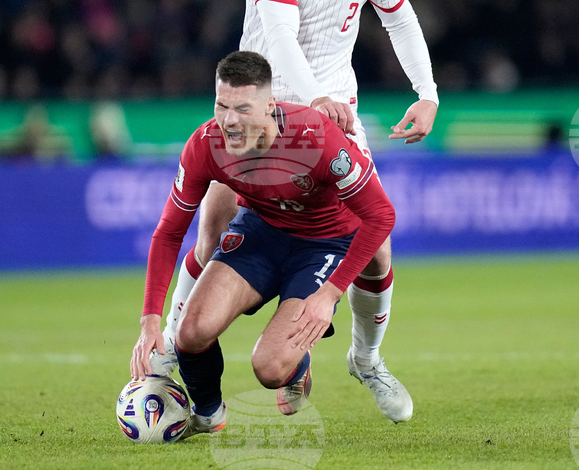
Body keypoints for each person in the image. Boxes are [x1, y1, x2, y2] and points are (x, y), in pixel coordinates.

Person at [153, 0, 437, 423]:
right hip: (260, 111)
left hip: (329, 119)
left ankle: (366, 359)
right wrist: (315, 99)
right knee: (211, 225)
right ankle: (171, 352)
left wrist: (427, 93)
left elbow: (402, 21)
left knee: (377, 248)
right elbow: (279, 38)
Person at [130, 51, 396, 437]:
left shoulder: (315, 138)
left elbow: (381, 216)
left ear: (270, 106)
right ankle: (208, 416)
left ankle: (301, 366)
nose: (230, 120)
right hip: (262, 233)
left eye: (242, 108)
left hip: (325, 242)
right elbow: (169, 231)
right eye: (222, 106)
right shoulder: (206, 144)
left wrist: (330, 295)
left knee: (270, 368)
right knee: (190, 332)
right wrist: (151, 320)